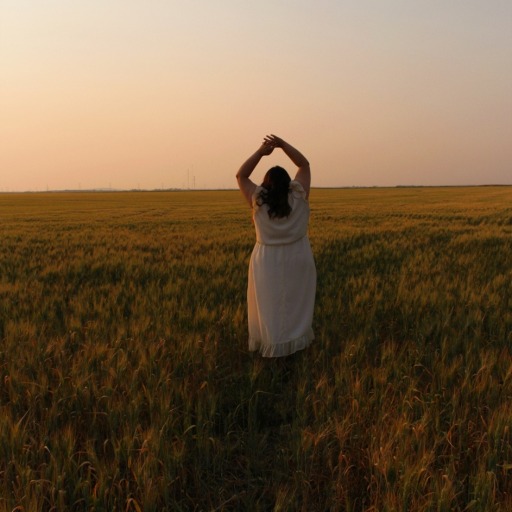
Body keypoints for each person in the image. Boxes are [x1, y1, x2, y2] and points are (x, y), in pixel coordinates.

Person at [236, 134, 316, 357]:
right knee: (295, 305)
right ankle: (295, 349)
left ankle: (273, 350)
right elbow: (304, 164)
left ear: (266, 183)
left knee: (270, 307)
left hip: (266, 261)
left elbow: (241, 175)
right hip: (299, 257)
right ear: (289, 183)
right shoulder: (299, 196)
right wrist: (283, 145)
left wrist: (261, 152)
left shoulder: (258, 200)